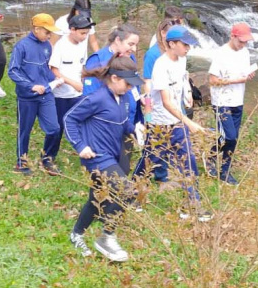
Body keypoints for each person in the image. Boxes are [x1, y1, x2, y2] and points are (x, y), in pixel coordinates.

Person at [64, 56, 143, 262]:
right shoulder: (97, 98)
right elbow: (69, 119)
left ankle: (76, 234)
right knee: (128, 191)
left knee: (98, 198)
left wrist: (135, 129)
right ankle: (107, 237)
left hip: (116, 154)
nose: (128, 88)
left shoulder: (124, 98)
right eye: (127, 83)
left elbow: (123, 122)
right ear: (114, 78)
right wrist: (81, 146)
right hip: (97, 157)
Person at [135, 25, 211, 221]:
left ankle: (191, 204)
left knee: (189, 162)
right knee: (148, 163)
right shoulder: (161, 66)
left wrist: (187, 96)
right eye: (184, 45)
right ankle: (133, 196)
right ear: (171, 44)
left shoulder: (182, 60)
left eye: (189, 45)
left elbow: (180, 86)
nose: (188, 49)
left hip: (177, 123)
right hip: (160, 125)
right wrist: (188, 121)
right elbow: (166, 101)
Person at [82, 24, 141, 174]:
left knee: (123, 169)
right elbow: (89, 100)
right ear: (117, 40)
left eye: (135, 45)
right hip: (105, 129)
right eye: (130, 44)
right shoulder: (98, 60)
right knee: (110, 174)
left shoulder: (130, 58)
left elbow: (134, 88)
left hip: (127, 122)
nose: (134, 49)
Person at [8, 13, 61, 175]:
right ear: (36, 29)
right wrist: (31, 86)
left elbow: (45, 68)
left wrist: (56, 78)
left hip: (46, 95)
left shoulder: (47, 46)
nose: (50, 35)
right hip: (27, 98)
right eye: (47, 31)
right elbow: (12, 71)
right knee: (24, 130)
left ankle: (47, 158)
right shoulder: (21, 46)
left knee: (54, 129)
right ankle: (21, 162)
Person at [207, 23, 256, 185]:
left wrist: (249, 75)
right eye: (241, 41)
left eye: (245, 42)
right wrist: (236, 80)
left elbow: (243, 72)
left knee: (231, 138)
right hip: (222, 102)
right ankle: (214, 161)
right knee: (229, 136)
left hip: (237, 100)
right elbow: (213, 81)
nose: (243, 45)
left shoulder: (245, 52)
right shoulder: (221, 53)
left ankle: (223, 168)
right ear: (232, 36)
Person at [49, 14, 95, 159]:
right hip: (61, 95)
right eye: (82, 33)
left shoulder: (82, 45)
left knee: (84, 123)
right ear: (72, 30)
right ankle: (48, 158)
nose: (84, 37)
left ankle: (88, 153)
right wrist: (72, 83)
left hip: (78, 94)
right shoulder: (60, 46)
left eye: (87, 34)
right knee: (57, 128)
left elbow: (82, 65)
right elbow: (54, 70)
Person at [137, 18, 175, 182]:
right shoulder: (153, 54)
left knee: (165, 138)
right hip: (153, 103)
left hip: (169, 102)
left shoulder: (173, 54)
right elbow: (147, 81)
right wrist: (148, 108)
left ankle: (160, 170)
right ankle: (152, 175)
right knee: (152, 138)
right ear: (163, 33)